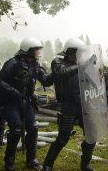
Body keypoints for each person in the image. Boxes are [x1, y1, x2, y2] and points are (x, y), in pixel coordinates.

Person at [0, 38, 53, 171]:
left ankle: (31, 159)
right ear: (28, 50)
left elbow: (46, 80)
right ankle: (9, 161)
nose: (38, 52)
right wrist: (14, 92)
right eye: (36, 50)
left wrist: (56, 74)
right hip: (11, 101)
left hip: (26, 100)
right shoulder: (12, 63)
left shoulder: (36, 65)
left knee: (33, 128)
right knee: (16, 129)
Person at [42, 38, 95, 171]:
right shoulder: (58, 62)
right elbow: (61, 73)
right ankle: (48, 164)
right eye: (77, 52)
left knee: (92, 134)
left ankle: (86, 164)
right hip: (68, 104)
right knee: (63, 138)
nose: (80, 55)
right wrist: (81, 65)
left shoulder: (81, 63)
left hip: (83, 103)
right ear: (70, 51)